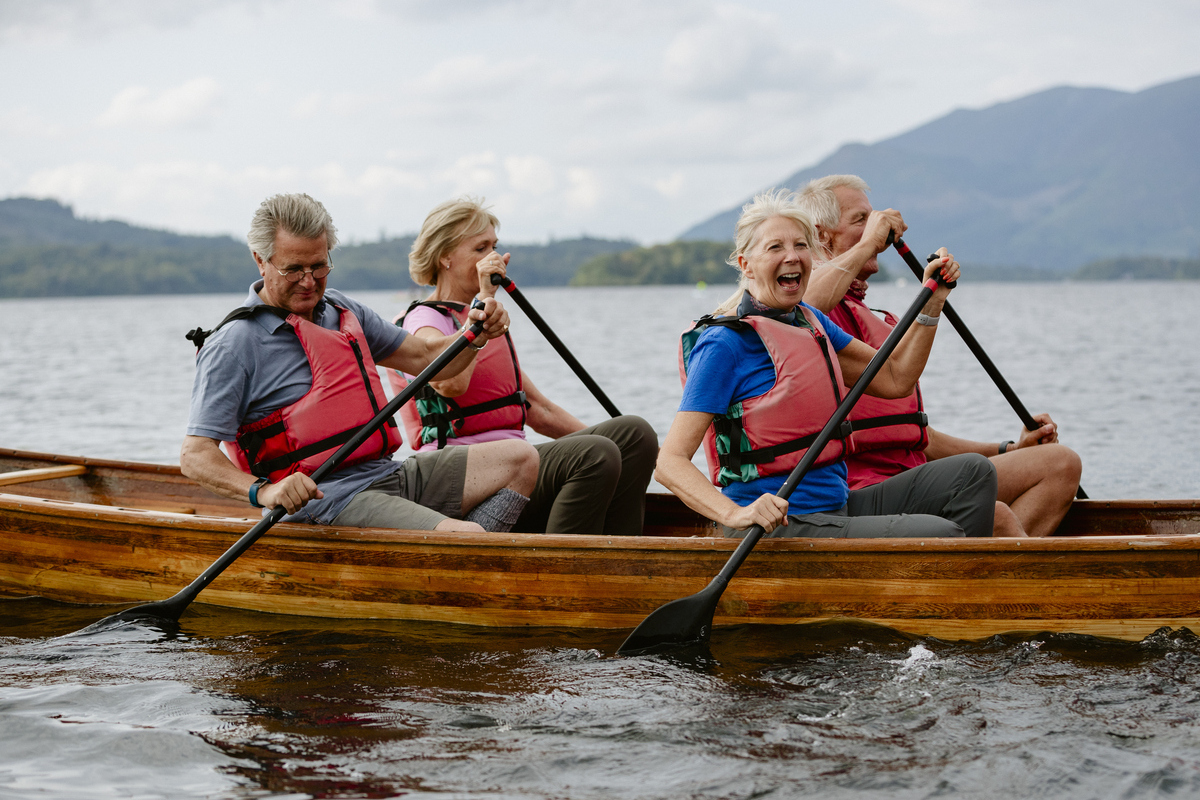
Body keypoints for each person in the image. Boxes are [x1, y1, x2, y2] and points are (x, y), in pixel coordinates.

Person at [182, 192, 540, 534]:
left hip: (386, 474)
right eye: (293, 270)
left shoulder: (342, 311)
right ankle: (464, 548)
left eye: (319, 266)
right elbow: (196, 456)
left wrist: (475, 333)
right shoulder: (233, 344)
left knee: (520, 459)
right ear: (261, 260)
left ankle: (453, 554)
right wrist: (264, 491)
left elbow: (431, 359)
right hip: (325, 501)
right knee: (466, 534)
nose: (308, 282)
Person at [657, 188, 1004, 540]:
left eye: (801, 245)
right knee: (939, 533)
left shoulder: (810, 323)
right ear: (746, 264)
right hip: (775, 527)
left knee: (973, 473)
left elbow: (896, 378)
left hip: (836, 506)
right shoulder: (724, 343)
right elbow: (670, 463)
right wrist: (735, 513)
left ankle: (962, 572)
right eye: (775, 247)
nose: (792, 256)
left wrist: (933, 303)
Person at [797, 175, 1082, 537]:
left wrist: (1009, 448)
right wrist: (869, 243)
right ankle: (996, 557)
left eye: (874, 219)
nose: (878, 228)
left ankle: (982, 556)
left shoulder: (884, 320)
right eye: (861, 220)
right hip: (861, 492)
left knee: (1061, 464)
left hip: (917, 478)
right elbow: (801, 305)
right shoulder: (810, 316)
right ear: (822, 236)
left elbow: (919, 436)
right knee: (995, 515)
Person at [390, 197, 658, 536]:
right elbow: (450, 384)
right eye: (480, 248)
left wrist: (618, 451)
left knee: (635, 434)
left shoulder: (487, 317)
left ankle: (621, 555)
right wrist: (483, 302)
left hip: (520, 464)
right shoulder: (423, 319)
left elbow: (539, 410)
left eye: (494, 247)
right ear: (445, 257)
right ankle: (558, 561)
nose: (492, 257)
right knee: (595, 453)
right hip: (465, 475)